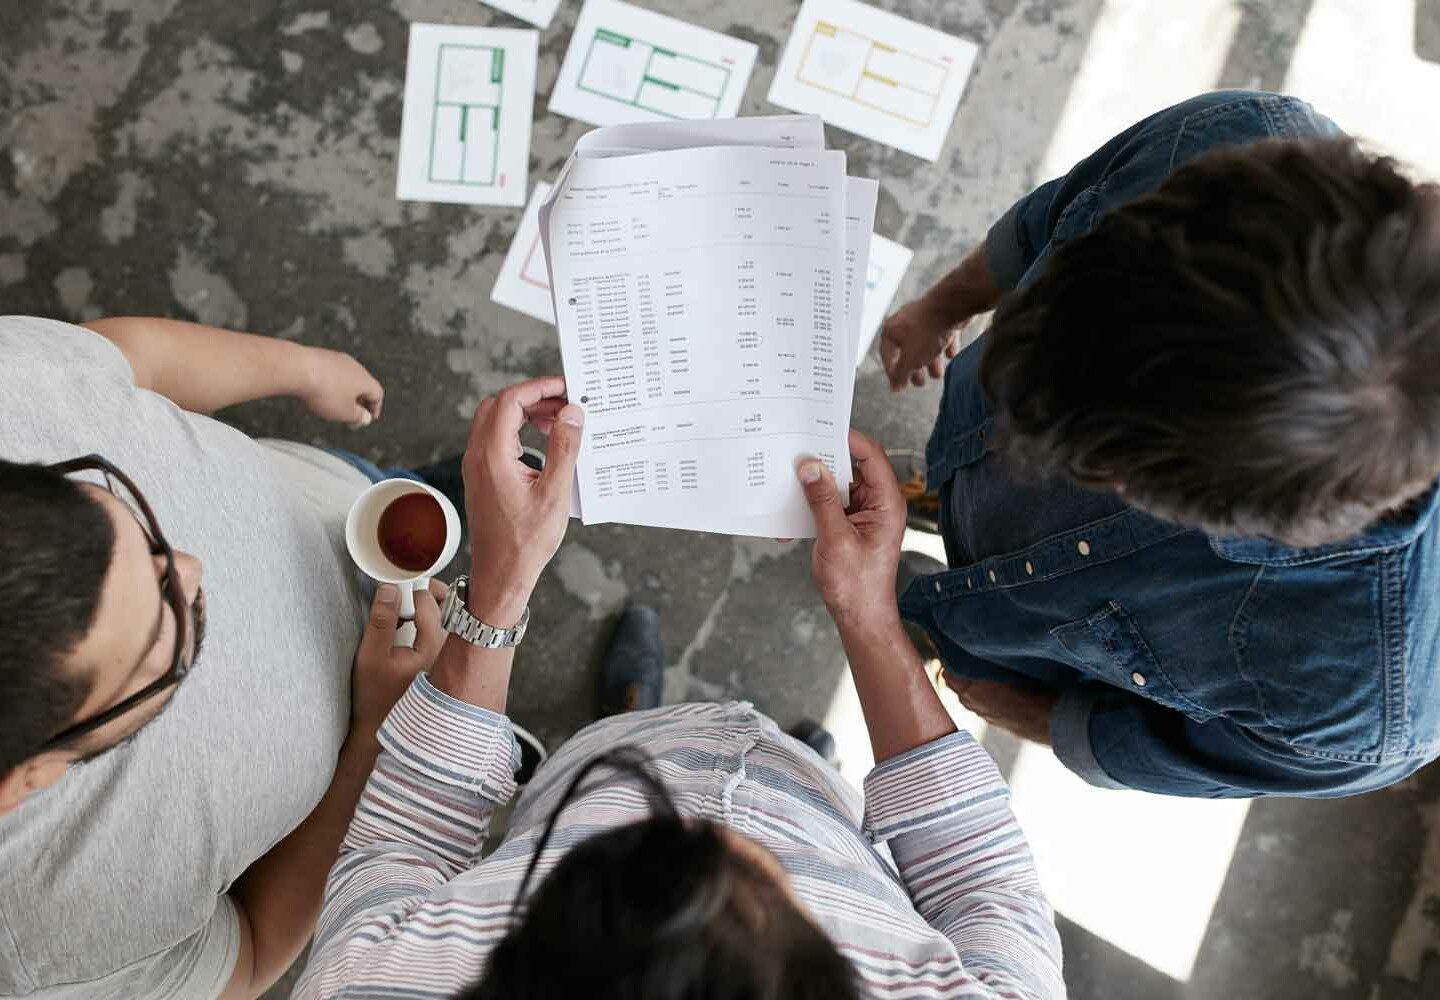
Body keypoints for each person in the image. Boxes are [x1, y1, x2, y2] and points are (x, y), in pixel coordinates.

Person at [291, 376, 1065, 1000]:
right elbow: (982, 885)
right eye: (763, 876)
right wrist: (867, 612)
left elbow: (401, 842)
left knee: (628, 752)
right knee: (806, 779)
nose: (706, 824)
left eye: (625, 846)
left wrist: (499, 582)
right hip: (824, 807)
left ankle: (629, 717)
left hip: (585, 767)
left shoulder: (365, 986)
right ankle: (800, 761)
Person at [878, 89, 1440, 798]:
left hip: (1018, 637)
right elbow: (1051, 217)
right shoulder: (1241, 137)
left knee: (937, 622)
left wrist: (1034, 713)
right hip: (984, 484)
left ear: (1234, 515)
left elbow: (1169, 751)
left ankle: (935, 615)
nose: (1023, 447)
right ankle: (939, 496)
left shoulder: (1364, 710)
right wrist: (942, 307)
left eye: (1089, 464)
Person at [0, 314, 466, 999]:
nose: (192, 567)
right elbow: (247, 959)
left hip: (345, 498)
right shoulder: (42, 941)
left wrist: (302, 367)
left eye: (125, 512)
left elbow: (128, 360)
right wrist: (376, 740)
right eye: (164, 630)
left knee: (441, 497)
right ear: (26, 779)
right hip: (398, 713)